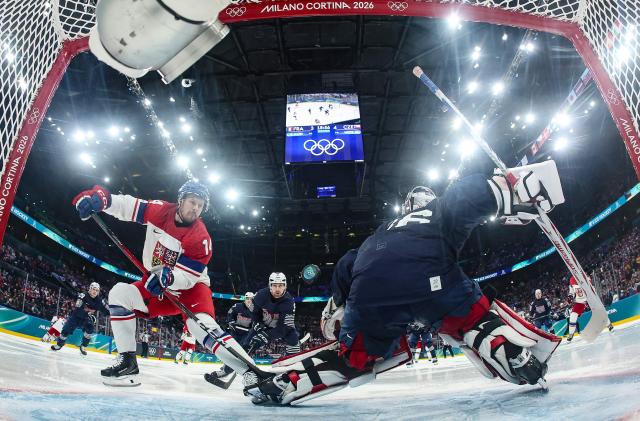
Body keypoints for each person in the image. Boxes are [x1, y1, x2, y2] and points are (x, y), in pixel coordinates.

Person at [243, 161, 565, 405]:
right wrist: (507, 189)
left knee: (354, 359)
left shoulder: (383, 230)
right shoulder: (437, 211)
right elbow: (463, 197)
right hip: (431, 278)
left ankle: (285, 383)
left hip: (369, 289)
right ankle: (505, 351)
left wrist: (338, 304)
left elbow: (345, 264)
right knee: (470, 318)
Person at [72, 180, 254, 386]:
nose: (195, 208)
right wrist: (102, 200)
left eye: (200, 205)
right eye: (192, 201)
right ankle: (127, 362)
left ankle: (251, 373)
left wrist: (168, 278)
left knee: (200, 326)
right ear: (181, 200)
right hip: (157, 285)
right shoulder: (160, 211)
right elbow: (128, 206)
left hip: (191, 288)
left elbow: (187, 277)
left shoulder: (200, 237)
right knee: (119, 293)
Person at [246, 273, 301, 358]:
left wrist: (265, 336)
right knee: (247, 343)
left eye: (280, 286)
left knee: (293, 340)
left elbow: (284, 328)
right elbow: (253, 311)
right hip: (264, 324)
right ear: (270, 286)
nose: (277, 289)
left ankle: (292, 358)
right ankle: (230, 367)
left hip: (282, 326)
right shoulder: (261, 294)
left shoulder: (289, 302)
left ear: (285, 286)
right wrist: (257, 322)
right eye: (274, 285)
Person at [205, 291, 255, 383]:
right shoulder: (237, 306)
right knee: (229, 350)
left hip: (246, 334)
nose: (249, 301)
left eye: (251, 299)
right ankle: (226, 368)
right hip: (235, 332)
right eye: (247, 299)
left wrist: (253, 329)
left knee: (239, 353)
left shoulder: (256, 310)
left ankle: (227, 370)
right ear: (245, 299)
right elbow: (230, 314)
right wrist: (230, 321)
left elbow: (257, 322)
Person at [51, 282, 107, 355]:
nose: (95, 291)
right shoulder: (83, 295)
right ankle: (59, 345)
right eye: (93, 289)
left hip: (86, 318)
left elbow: (101, 309)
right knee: (65, 330)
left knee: (90, 329)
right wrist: (90, 310)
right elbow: (79, 307)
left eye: (97, 290)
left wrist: (110, 314)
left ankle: (83, 346)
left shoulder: (99, 300)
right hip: (76, 316)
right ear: (90, 289)